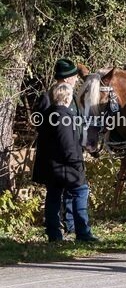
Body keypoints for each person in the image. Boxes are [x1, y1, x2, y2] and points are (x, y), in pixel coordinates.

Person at [32, 81, 98, 242]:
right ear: (67, 97)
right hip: (67, 166)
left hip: (51, 166)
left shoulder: (48, 114)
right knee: (80, 192)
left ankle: (54, 234)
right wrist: (77, 163)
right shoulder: (63, 116)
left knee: (53, 197)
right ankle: (82, 232)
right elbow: (67, 144)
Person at [30, 58, 84, 237]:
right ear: (67, 78)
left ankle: (71, 227)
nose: (77, 79)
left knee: (69, 193)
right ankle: (55, 232)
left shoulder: (73, 97)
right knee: (56, 194)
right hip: (56, 157)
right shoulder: (48, 98)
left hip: (70, 152)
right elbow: (40, 125)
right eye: (75, 76)